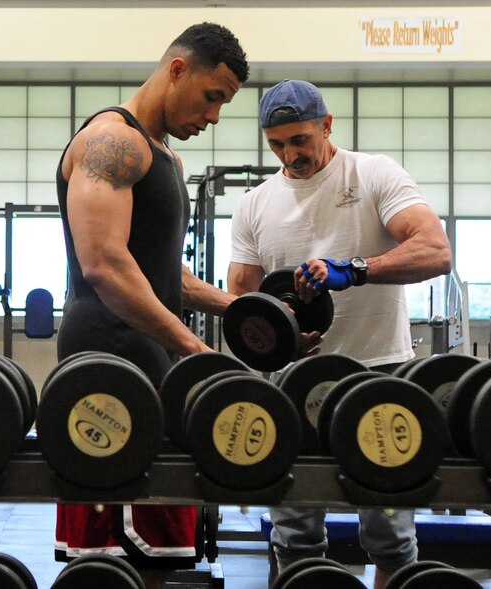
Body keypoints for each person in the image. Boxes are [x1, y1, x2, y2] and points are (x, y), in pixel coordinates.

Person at [227, 79, 452, 589]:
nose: (290, 154)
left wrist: (356, 268)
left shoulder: (374, 174)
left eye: (301, 140)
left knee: (390, 533)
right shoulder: (255, 203)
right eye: (278, 144)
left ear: (327, 126)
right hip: (295, 380)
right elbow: (242, 298)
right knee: (296, 533)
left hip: (379, 373)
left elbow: (435, 250)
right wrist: (280, 335)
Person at [54, 22, 248, 588]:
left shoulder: (164, 157)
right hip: (106, 361)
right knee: (107, 567)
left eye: (224, 105)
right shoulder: (112, 141)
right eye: (212, 97)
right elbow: (104, 264)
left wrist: (235, 309)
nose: (213, 118)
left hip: (151, 357)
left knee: (161, 555)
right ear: (177, 69)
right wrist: (191, 345)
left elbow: (162, 269)